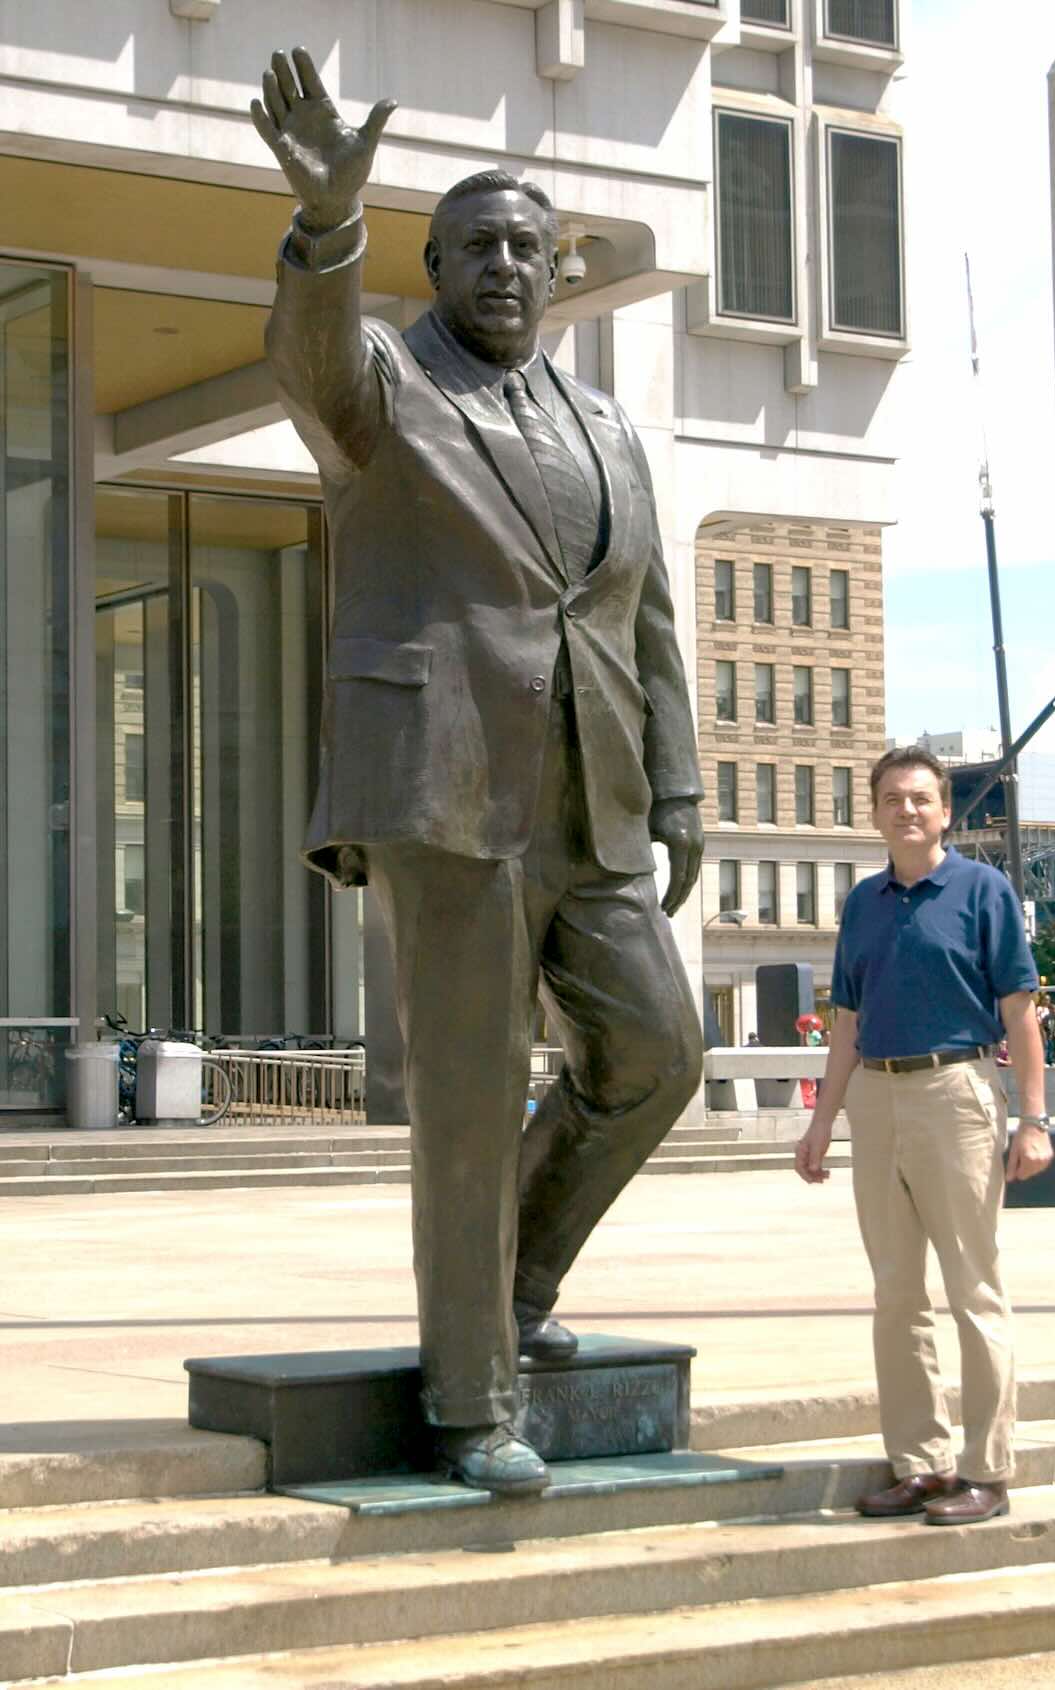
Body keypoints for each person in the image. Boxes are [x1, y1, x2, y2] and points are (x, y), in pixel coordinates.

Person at [252, 49, 704, 1496]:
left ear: (558, 270)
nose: (508, 265)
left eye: (529, 246)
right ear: (436, 265)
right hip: (446, 786)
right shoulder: (389, 387)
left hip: (595, 795)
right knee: (463, 1091)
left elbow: (645, 618)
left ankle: (509, 1283)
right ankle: (470, 1398)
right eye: (480, 247)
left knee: (655, 1051)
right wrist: (329, 228)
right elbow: (313, 365)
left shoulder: (612, 432)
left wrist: (680, 788)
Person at [795, 746, 1054, 1525]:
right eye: (891, 800)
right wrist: (821, 1121)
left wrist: (1035, 1119)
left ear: (945, 811)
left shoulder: (985, 890)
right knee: (896, 1293)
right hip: (877, 1096)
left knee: (973, 1289)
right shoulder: (864, 904)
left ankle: (987, 1470)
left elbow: (1020, 1011)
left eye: (920, 799)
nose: (906, 810)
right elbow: (846, 1023)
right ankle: (922, 1463)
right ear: (873, 814)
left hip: (957, 1093)